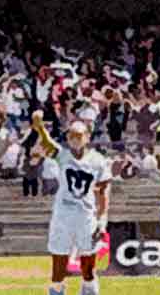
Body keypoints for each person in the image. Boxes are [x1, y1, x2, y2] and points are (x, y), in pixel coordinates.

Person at [30, 110, 112, 295]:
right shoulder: (63, 155)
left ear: (87, 137)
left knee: (88, 266)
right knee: (58, 262)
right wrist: (40, 128)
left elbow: (103, 191)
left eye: (79, 135)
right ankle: (57, 290)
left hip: (86, 216)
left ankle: (89, 290)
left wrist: (102, 219)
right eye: (72, 135)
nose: (75, 139)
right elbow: (48, 144)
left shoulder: (98, 161)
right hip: (63, 215)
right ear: (67, 137)